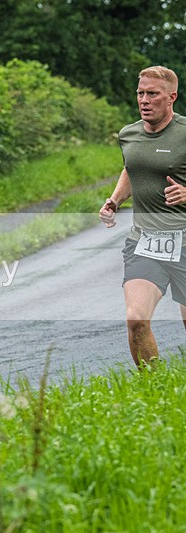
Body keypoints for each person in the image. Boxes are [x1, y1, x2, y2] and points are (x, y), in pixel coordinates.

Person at [99, 65, 186, 367]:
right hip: (146, 241)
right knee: (136, 319)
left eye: (153, 94)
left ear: (172, 97)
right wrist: (114, 199)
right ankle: (154, 389)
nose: (145, 100)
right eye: (140, 93)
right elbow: (131, 168)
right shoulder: (129, 134)